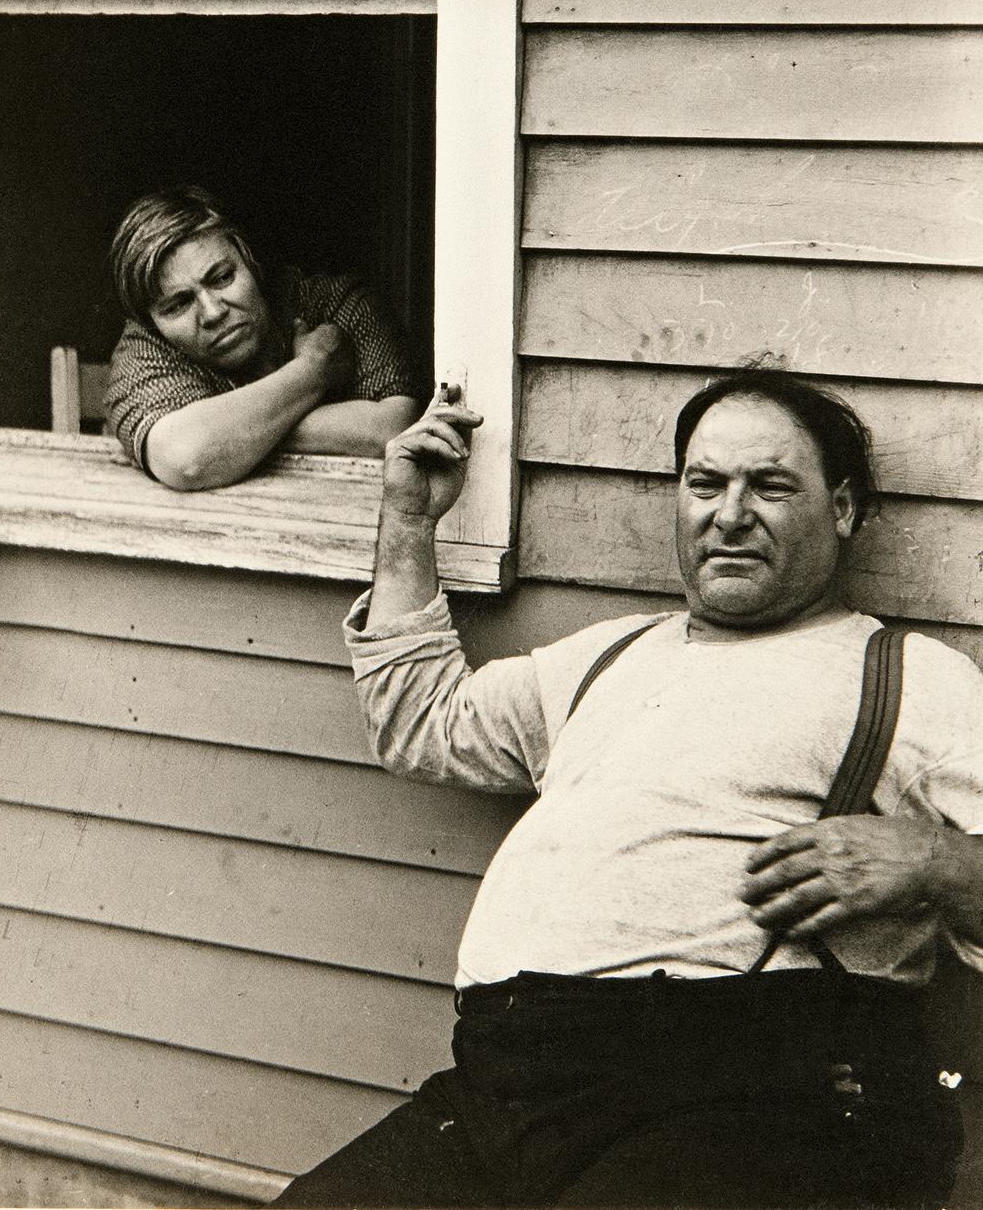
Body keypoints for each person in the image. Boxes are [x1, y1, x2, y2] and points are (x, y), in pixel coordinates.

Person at [275, 366, 983, 1209]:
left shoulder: (910, 676)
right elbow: (424, 723)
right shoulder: (610, 656)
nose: (729, 515)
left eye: (771, 486)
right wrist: (410, 521)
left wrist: (933, 860)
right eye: (705, 484)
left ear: (843, 508)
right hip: (508, 1086)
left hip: (743, 1101)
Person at [104, 186, 419, 489]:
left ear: (250, 262)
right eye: (178, 304)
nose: (212, 312)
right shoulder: (143, 346)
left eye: (223, 277)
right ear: (150, 323)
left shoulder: (331, 304)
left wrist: (230, 437)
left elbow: (396, 428)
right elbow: (187, 458)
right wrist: (313, 370)